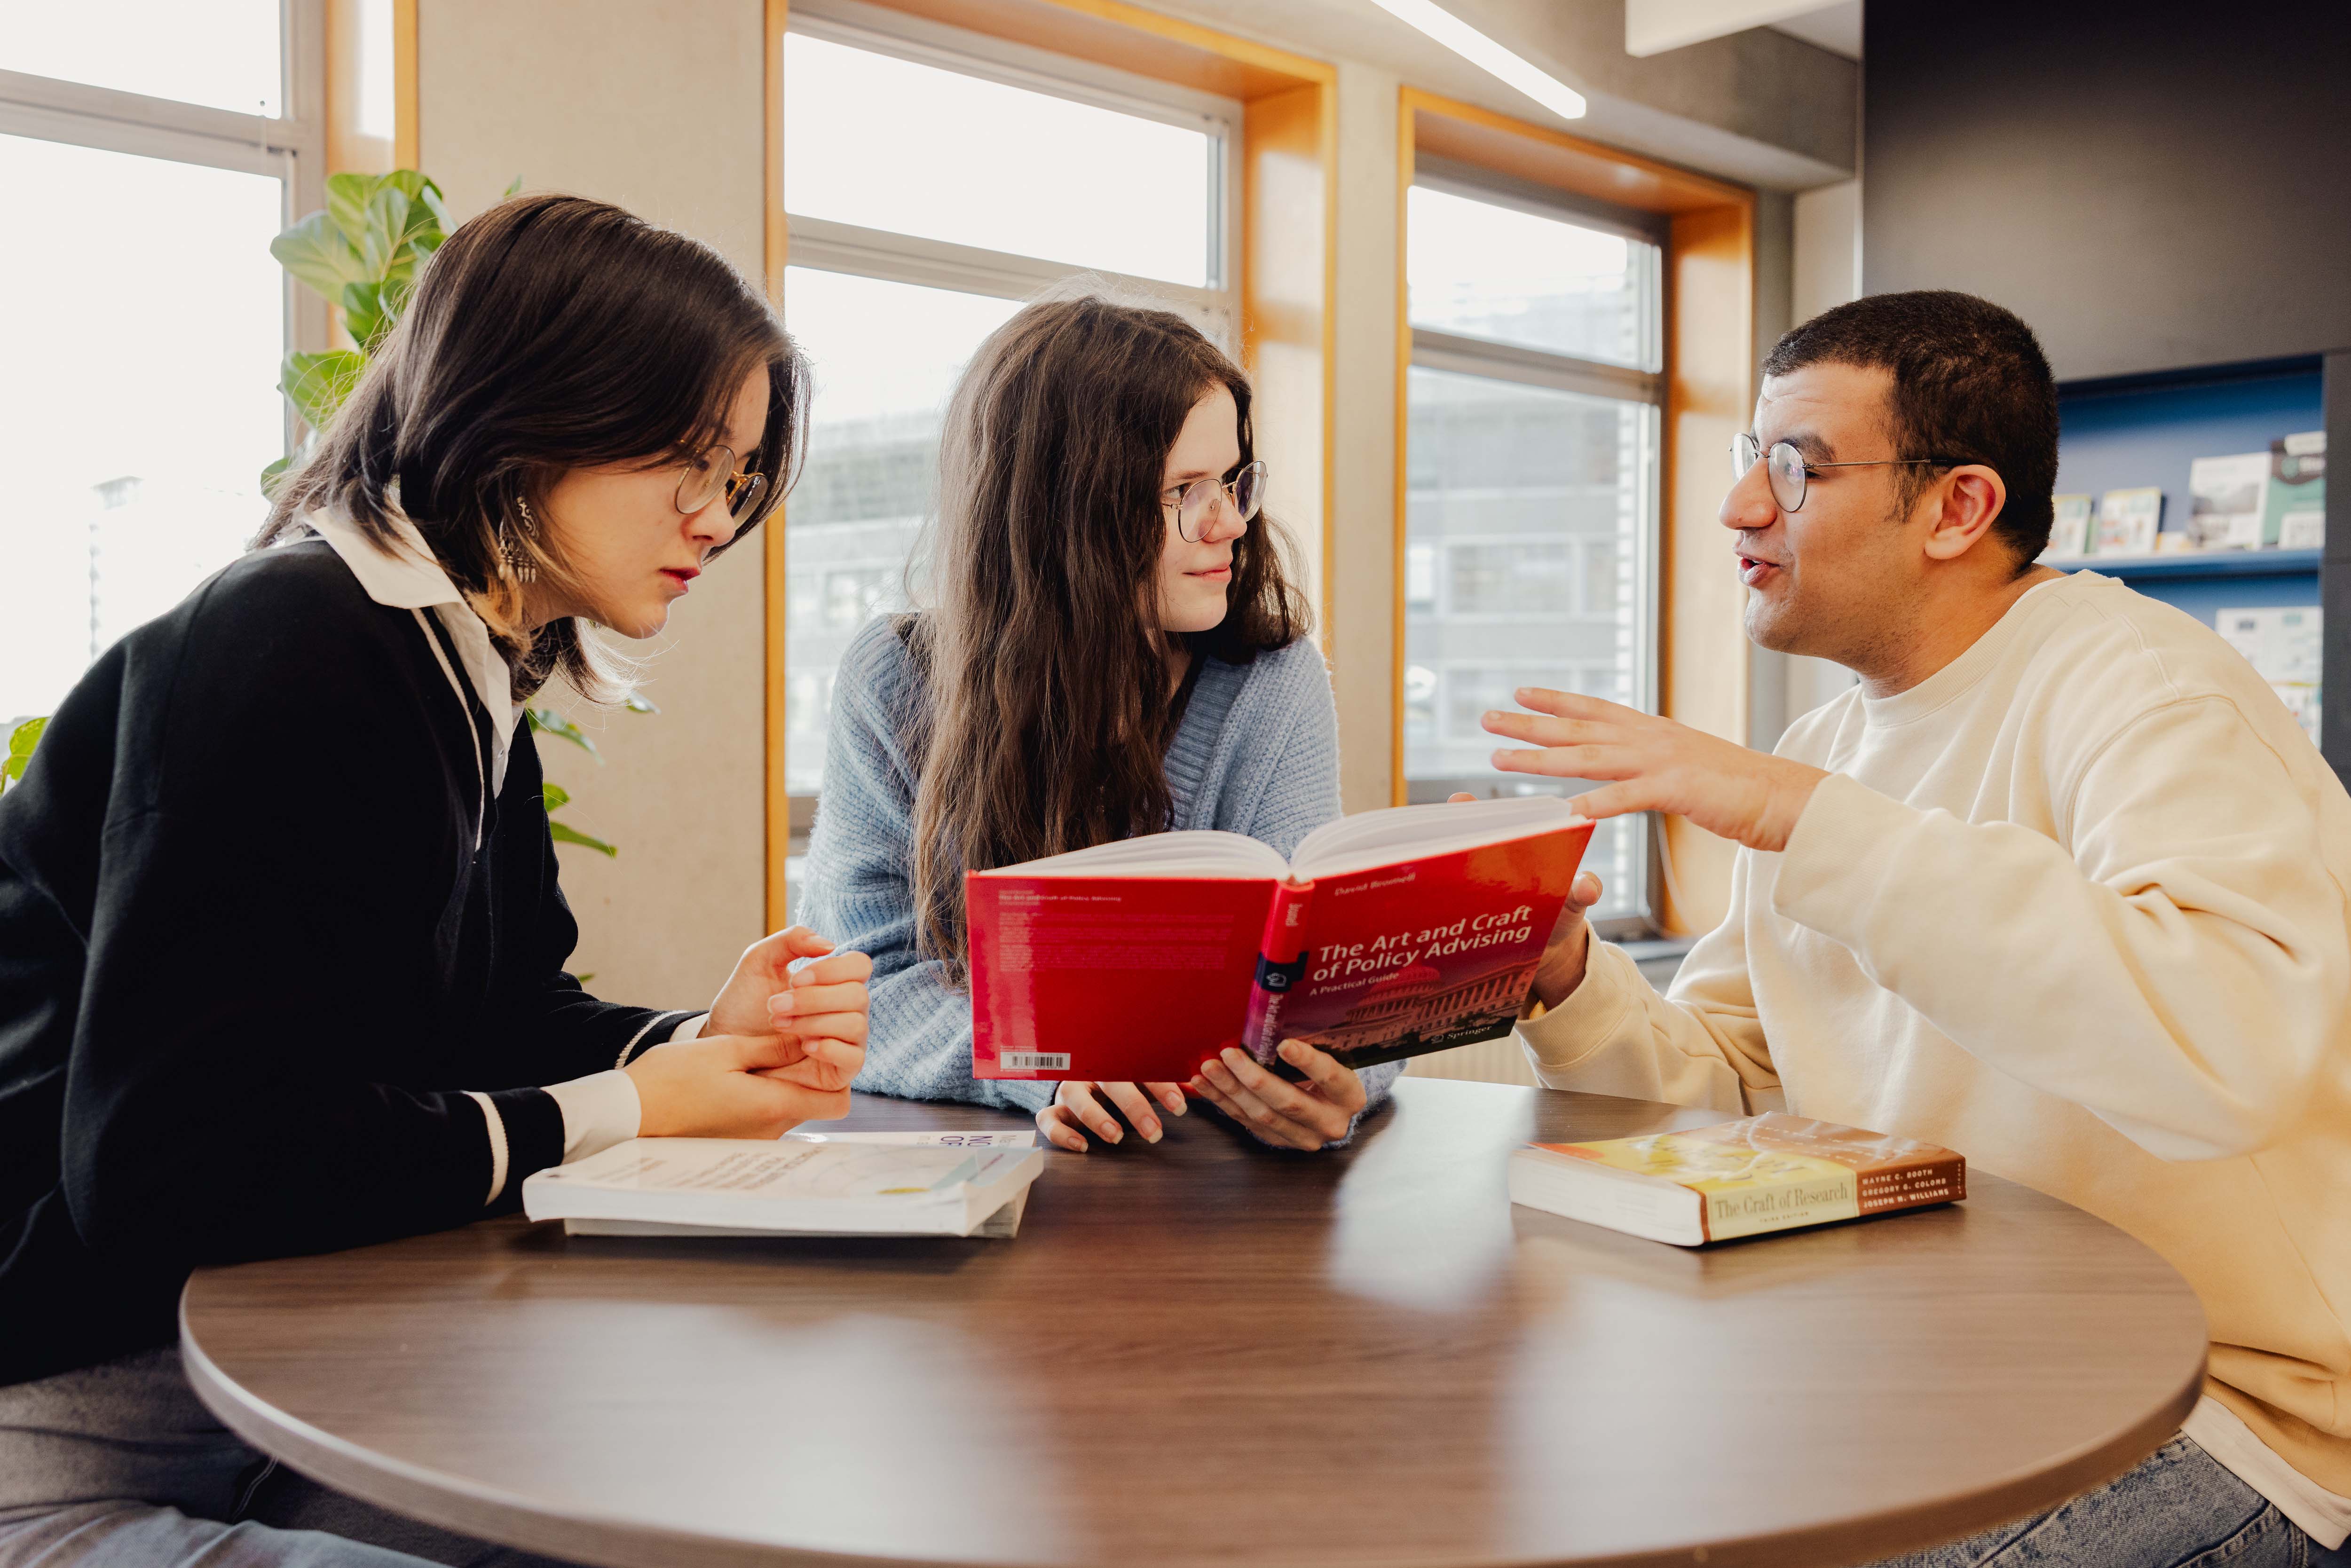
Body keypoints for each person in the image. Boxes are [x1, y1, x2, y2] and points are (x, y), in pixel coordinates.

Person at [0, 194, 874, 1567]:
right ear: (530, 414)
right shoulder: (290, 646)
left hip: (285, 1384)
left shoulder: (464, 671)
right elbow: (175, 1166)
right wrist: (635, 1101)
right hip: (67, 1420)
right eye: (688, 463)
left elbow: (504, 1014)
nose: (719, 515)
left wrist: (701, 1042)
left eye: (744, 475)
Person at [1482, 290, 2351, 1567]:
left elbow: (2236, 1047)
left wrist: (1803, 817)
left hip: (2214, 1402)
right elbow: (1733, 1097)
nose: (1740, 509)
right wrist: (1570, 984)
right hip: (1930, 1364)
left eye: (1800, 467)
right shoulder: (1826, 748)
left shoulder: (2149, 691)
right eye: (1749, 459)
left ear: (1959, 508)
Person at [801, 293, 1398, 1154]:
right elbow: (860, 990)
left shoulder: (1274, 680)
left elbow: (1321, 996)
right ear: (1063, 512)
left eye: (1232, 482)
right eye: (1182, 492)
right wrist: (1043, 1062)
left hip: (1222, 1193)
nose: (1230, 522)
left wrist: (1344, 1075)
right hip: (988, 1172)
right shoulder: (895, 680)